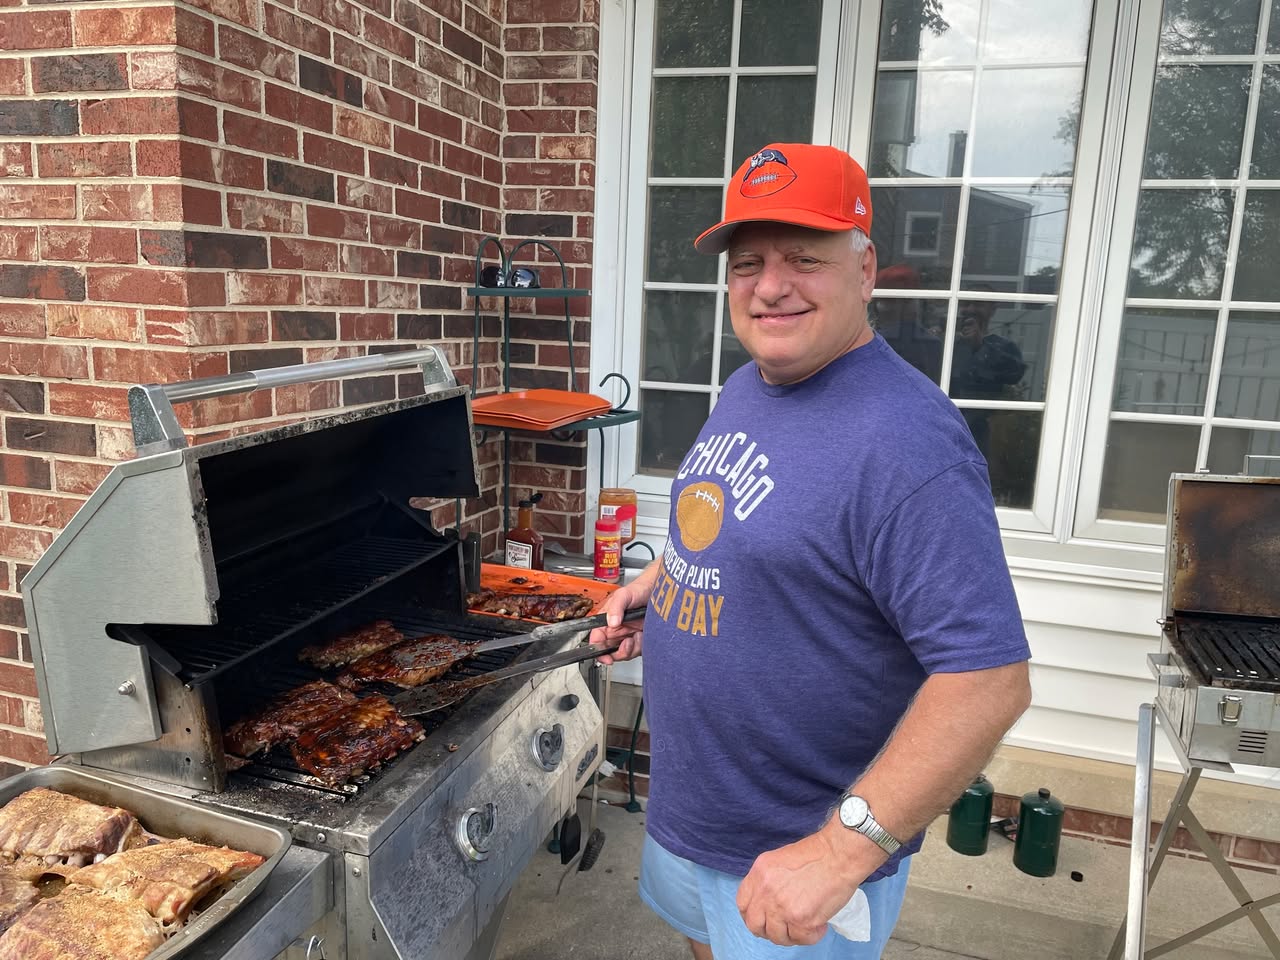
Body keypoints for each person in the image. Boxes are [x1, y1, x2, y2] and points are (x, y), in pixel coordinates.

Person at [590, 142, 1031, 959]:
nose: (770, 285)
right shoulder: (747, 385)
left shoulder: (907, 442)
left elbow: (988, 680)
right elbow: (731, 524)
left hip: (797, 854)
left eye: (803, 258)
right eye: (747, 263)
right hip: (695, 814)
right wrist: (665, 583)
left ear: (865, 271)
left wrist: (840, 852)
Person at [950, 298, 1027, 457]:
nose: (971, 309)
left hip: (983, 425)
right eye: (965, 304)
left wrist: (980, 345)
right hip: (945, 420)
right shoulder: (948, 342)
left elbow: (1014, 375)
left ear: (993, 309)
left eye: (979, 304)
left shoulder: (1004, 346)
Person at [869, 264, 942, 383]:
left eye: (906, 302)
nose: (897, 308)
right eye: (889, 302)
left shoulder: (872, 342)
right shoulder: (932, 344)